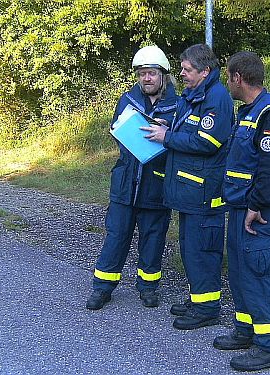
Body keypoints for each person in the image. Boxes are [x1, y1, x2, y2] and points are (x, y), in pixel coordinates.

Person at [213, 51, 270, 371]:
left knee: (259, 272)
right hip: (239, 205)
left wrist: (256, 205)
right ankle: (247, 329)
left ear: (238, 78)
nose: (227, 83)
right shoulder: (247, 111)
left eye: (228, 77)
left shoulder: (269, 114)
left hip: (258, 210)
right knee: (240, 270)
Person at [142, 44, 234, 330]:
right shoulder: (194, 94)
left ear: (205, 71)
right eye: (181, 68)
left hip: (204, 193)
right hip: (189, 191)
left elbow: (208, 142)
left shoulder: (216, 98)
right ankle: (198, 299)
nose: (180, 73)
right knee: (190, 249)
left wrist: (166, 137)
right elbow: (185, 127)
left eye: (186, 69)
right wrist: (164, 125)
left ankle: (207, 308)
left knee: (203, 251)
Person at [86, 45, 177, 310]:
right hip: (126, 183)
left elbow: (182, 141)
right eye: (141, 73)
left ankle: (148, 287)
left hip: (156, 185)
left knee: (153, 239)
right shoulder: (127, 100)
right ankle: (102, 288)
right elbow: (119, 133)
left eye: (151, 73)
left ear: (163, 75)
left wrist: (168, 132)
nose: (146, 78)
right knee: (116, 237)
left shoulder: (178, 105)